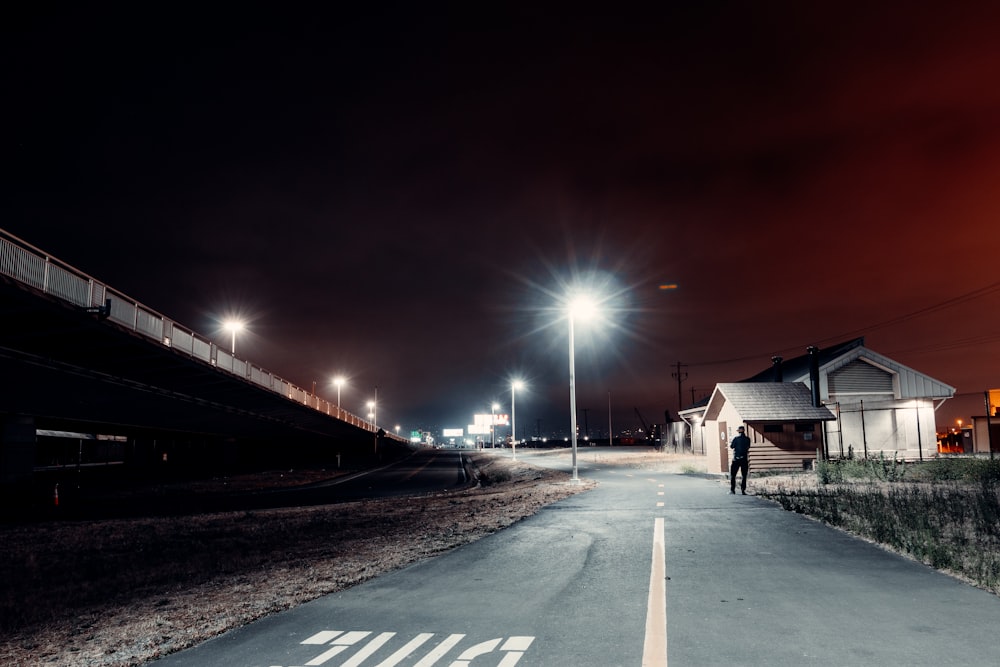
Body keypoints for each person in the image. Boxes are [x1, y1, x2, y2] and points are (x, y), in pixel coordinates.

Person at [730, 425, 751, 494]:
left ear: (739, 431)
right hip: (744, 459)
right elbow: (748, 447)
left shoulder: (736, 438)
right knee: (744, 475)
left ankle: (732, 490)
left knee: (733, 475)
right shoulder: (748, 439)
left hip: (736, 459)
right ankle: (743, 490)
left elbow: (732, 446)